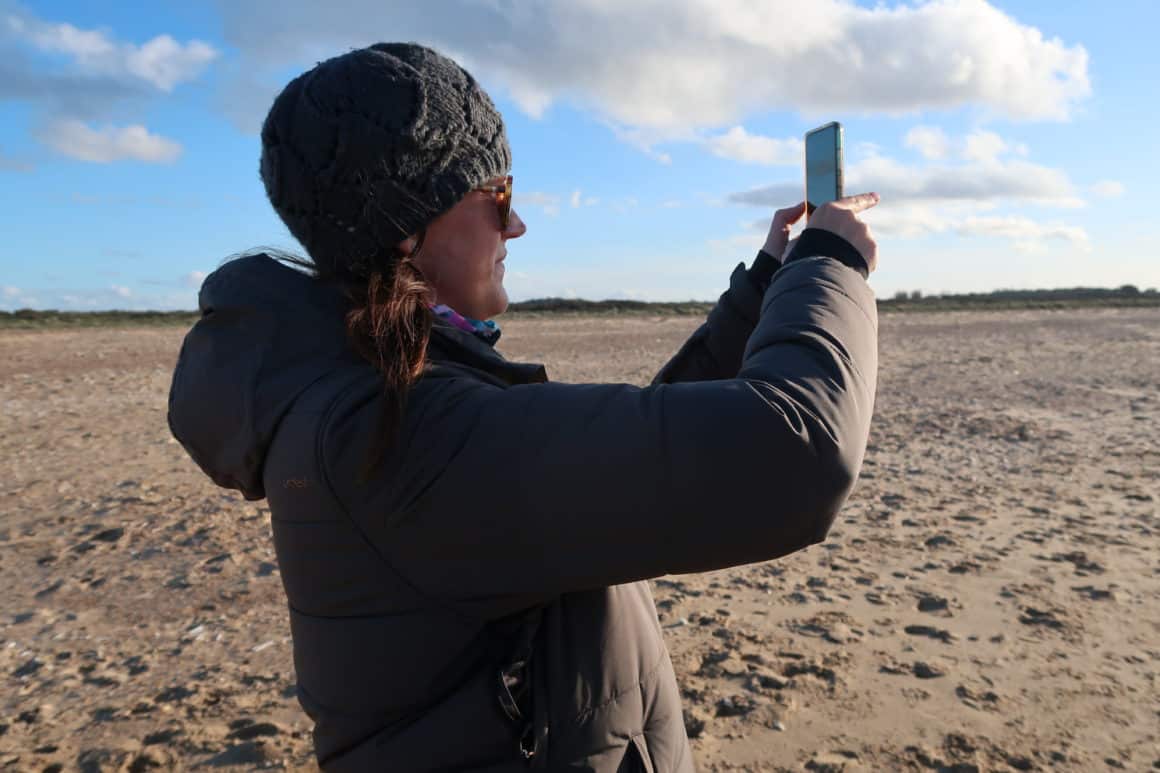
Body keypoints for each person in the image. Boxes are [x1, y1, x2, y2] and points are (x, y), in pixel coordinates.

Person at [168, 42, 879, 772]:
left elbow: (623, 463)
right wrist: (830, 263)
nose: (516, 226)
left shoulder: (375, 393)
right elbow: (795, 455)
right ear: (406, 226)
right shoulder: (400, 430)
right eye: (498, 196)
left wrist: (763, 289)